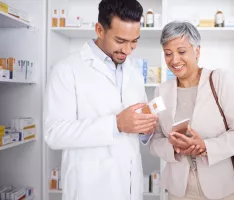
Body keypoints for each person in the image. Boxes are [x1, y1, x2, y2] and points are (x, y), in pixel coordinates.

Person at [43, 1, 157, 200]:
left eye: (134, 41)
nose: (128, 50)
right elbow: (54, 133)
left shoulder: (134, 70)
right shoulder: (68, 69)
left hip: (130, 187)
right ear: (99, 30)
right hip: (90, 188)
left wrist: (145, 128)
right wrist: (116, 124)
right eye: (120, 41)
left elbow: (136, 121)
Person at [149, 21, 234, 200]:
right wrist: (173, 147)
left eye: (182, 52)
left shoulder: (220, 80)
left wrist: (206, 146)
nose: (174, 60)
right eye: (168, 53)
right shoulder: (161, 91)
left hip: (222, 188)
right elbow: (155, 140)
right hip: (179, 191)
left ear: (197, 51)